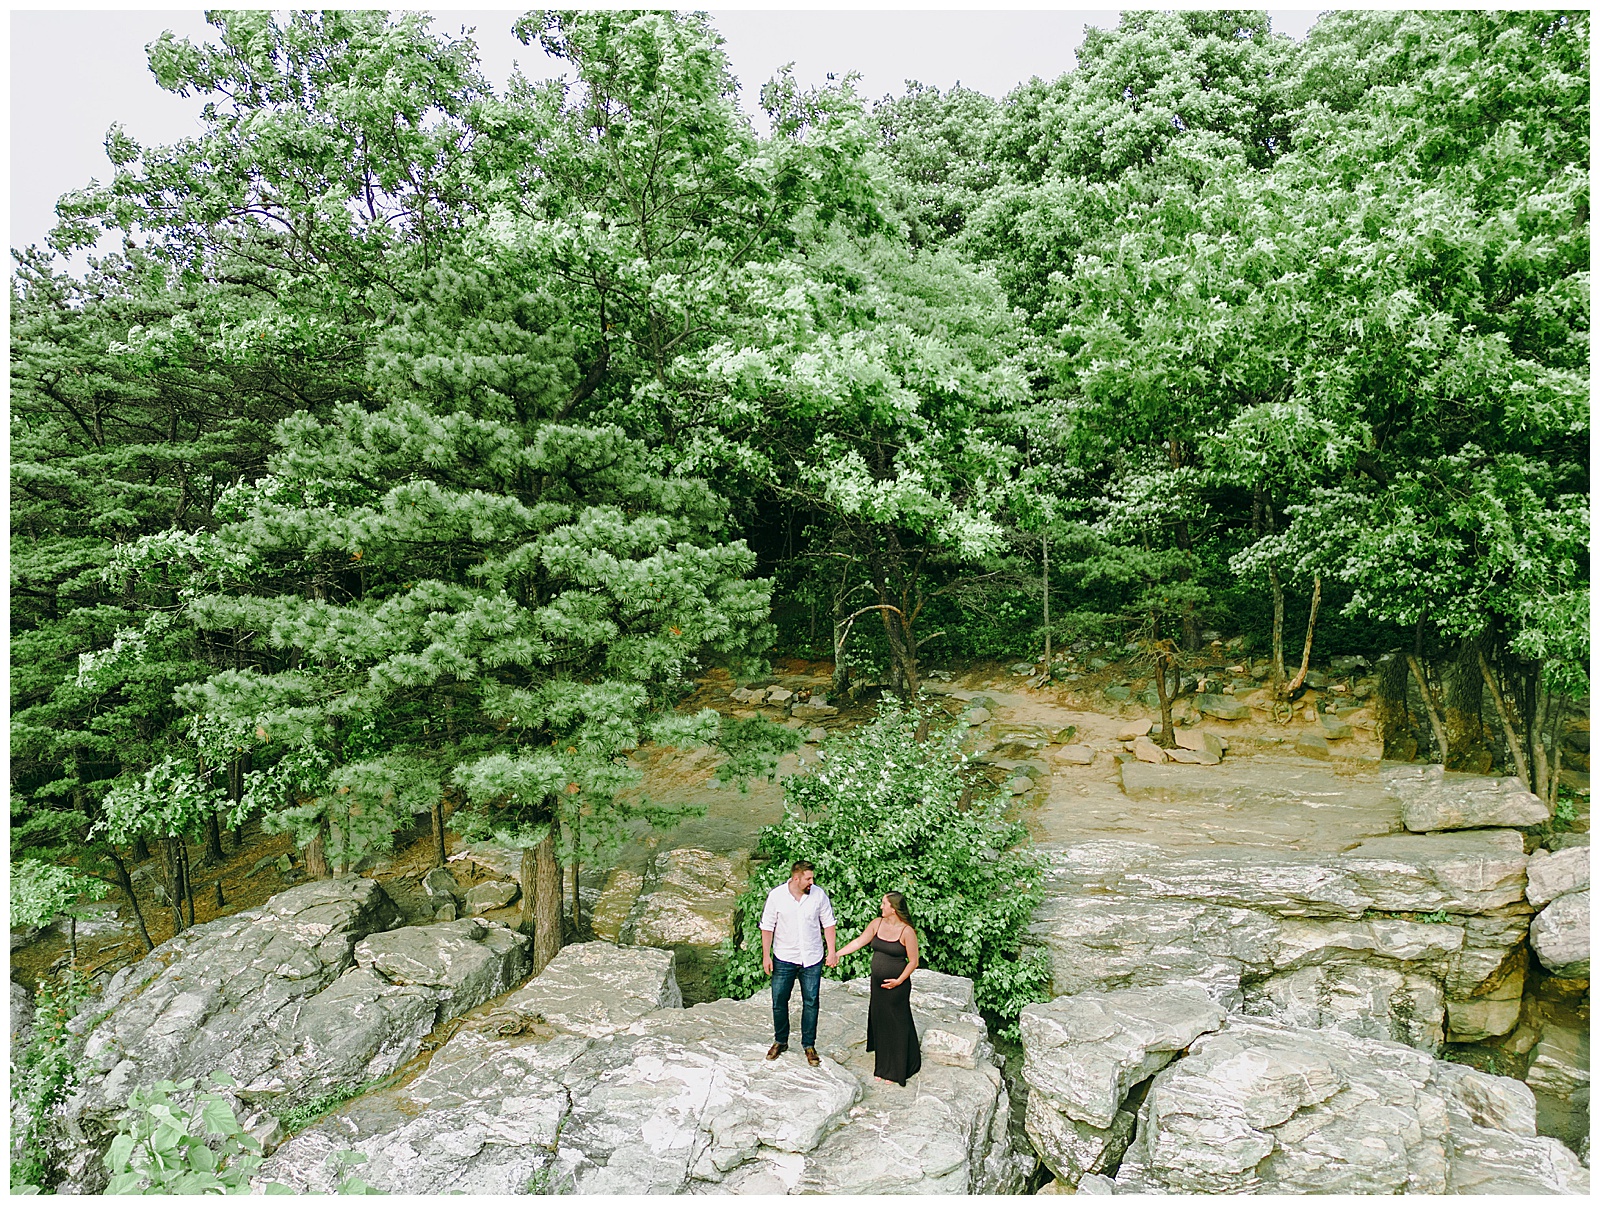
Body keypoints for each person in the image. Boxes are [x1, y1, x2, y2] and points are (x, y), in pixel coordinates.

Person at [836, 891, 922, 1085]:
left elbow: (913, 961)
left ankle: (897, 1069)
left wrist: (899, 981)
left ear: (893, 908)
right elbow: (859, 941)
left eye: (884, 904)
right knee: (881, 1021)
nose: (881, 906)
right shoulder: (877, 923)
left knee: (896, 1024)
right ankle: (883, 1066)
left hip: (897, 986)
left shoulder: (906, 931)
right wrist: (837, 954)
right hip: (877, 984)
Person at [760, 859, 837, 1067]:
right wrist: (766, 956)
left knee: (811, 1002)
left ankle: (809, 1045)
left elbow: (828, 924)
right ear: (796, 878)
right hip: (784, 956)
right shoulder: (776, 896)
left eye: (812, 878)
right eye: (808, 878)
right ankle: (780, 1040)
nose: (812, 881)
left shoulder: (818, 895)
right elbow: (767, 927)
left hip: (812, 957)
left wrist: (832, 952)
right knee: (779, 1001)